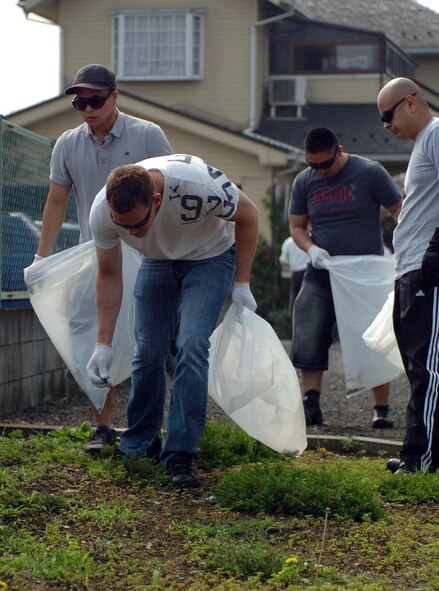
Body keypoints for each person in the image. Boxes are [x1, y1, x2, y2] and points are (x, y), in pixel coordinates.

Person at [86, 154, 259, 488]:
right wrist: (103, 344)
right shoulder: (102, 213)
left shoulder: (198, 187)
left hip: (210, 256)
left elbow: (249, 215)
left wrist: (242, 282)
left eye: (138, 224)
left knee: (191, 345)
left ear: (156, 200)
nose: (131, 232)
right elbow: (108, 275)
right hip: (158, 259)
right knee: (148, 350)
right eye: (124, 226)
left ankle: (181, 452)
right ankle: (141, 440)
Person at [34, 64, 173, 455]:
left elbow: (171, 189)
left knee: (150, 343)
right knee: (94, 340)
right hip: (94, 254)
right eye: (80, 101)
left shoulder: (147, 135)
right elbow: (57, 200)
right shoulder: (66, 144)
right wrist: (41, 256)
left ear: (114, 96)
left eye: (96, 99)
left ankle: (149, 430)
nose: (88, 108)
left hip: (146, 253)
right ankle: (103, 426)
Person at [289, 127, 402, 429]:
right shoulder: (304, 182)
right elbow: (297, 227)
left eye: (326, 164)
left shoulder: (370, 172)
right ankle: (311, 402)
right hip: (323, 269)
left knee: (373, 338)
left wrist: (403, 243)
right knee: (309, 328)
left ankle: (382, 407)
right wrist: (311, 249)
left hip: (365, 272)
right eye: (314, 165)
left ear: (339, 151)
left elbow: (399, 209)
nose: (321, 171)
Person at [377, 78, 439, 474]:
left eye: (388, 115)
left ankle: (421, 458)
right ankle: (416, 453)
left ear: (411, 102)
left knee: (427, 368)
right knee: (417, 364)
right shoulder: (422, 143)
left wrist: (435, 252)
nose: (385, 125)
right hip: (409, 268)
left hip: (426, 268)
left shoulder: (435, 133)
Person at [279, 236, 310, 313]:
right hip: (308, 271)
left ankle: (294, 320)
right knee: (309, 298)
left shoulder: (288, 242)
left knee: (295, 298)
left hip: (295, 273)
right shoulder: (309, 239)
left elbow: (283, 260)